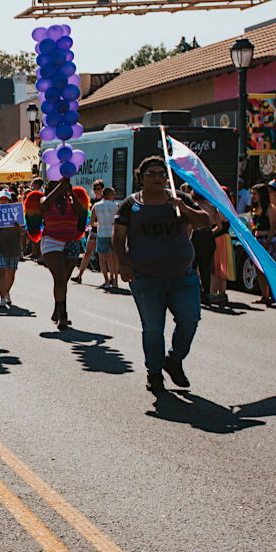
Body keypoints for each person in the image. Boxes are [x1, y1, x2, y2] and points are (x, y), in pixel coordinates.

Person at [112, 156, 211, 393]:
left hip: (183, 276)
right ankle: (154, 373)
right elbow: (118, 236)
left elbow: (205, 222)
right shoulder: (130, 204)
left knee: (190, 319)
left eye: (161, 174)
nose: (157, 178)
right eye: (151, 174)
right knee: (154, 329)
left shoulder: (181, 199)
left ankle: (174, 360)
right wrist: (123, 265)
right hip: (145, 278)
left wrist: (184, 208)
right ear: (141, 178)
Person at [37, 177, 87, 331]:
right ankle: (63, 316)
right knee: (59, 277)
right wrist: (59, 186)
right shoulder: (45, 200)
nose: (62, 187)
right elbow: (44, 205)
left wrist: (70, 191)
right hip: (52, 241)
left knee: (63, 279)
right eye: (57, 185)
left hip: (71, 241)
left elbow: (81, 211)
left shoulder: (72, 201)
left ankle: (56, 310)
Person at [72, 180, 105, 284]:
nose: (96, 191)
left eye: (98, 189)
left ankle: (109, 280)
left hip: (104, 231)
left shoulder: (105, 201)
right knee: (87, 253)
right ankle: (79, 275)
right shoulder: (92, 201)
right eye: (95, 189)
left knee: (104, 255)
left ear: (102, 189)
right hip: (94, 230)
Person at [88, 187, 120, 289]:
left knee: (102, 258)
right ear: (110, 195)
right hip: (114, 234)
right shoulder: (116, 205)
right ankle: (115, 280)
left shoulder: (96, 206)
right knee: (115, 257)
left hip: (102, 233)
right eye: (113, 194)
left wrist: (98, 224)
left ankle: (106, 281)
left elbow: (92, 222)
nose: (114, 196)